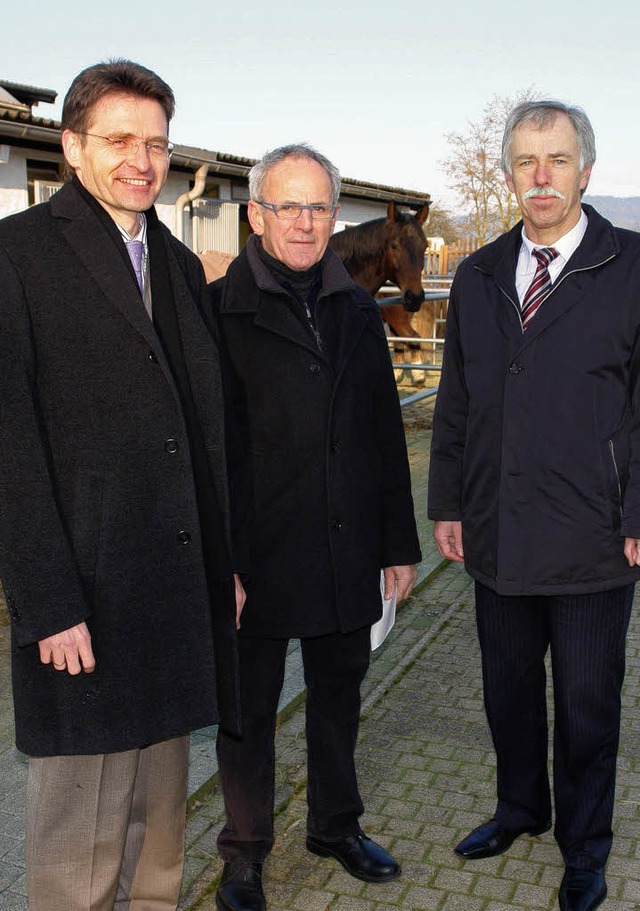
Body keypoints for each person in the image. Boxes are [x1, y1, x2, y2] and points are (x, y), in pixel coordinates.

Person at [0, 59, 245, 911]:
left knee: (158, 835)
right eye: (119, 141)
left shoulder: (175, 264)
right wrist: (47, 601)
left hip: (172, 592)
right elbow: (9, 443)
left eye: (157, 143)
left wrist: (228, 564)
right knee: (81, 850)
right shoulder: (17, 256)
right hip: (85, 603)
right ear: (71, 147)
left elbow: (206, 428)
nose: (143, 160)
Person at [428, 99, 640, 911]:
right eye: (525, 161)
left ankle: (585, 848)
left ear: (586, 169)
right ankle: (520, 807)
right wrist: (447, 500)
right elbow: (458, 401)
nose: (541, 177)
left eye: (557, 160)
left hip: (594, 538)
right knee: (507, 690)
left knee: (587, 706)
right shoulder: (481, 274)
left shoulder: (627, 268)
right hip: (499, 533)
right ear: (508, 172)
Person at [209, 143, 421, 911]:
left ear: (335, 216)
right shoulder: (219, 311)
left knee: (338, 695)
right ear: (257, 213)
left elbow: (381, 435)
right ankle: (244, 854)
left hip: (344, 543)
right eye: (287, 205)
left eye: (318, 206)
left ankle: (334, 824)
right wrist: (221, 561)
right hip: (256, 553)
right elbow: (210, 449)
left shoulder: (359, 308)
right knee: (249, 713)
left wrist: (399, 544)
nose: (304, 221)